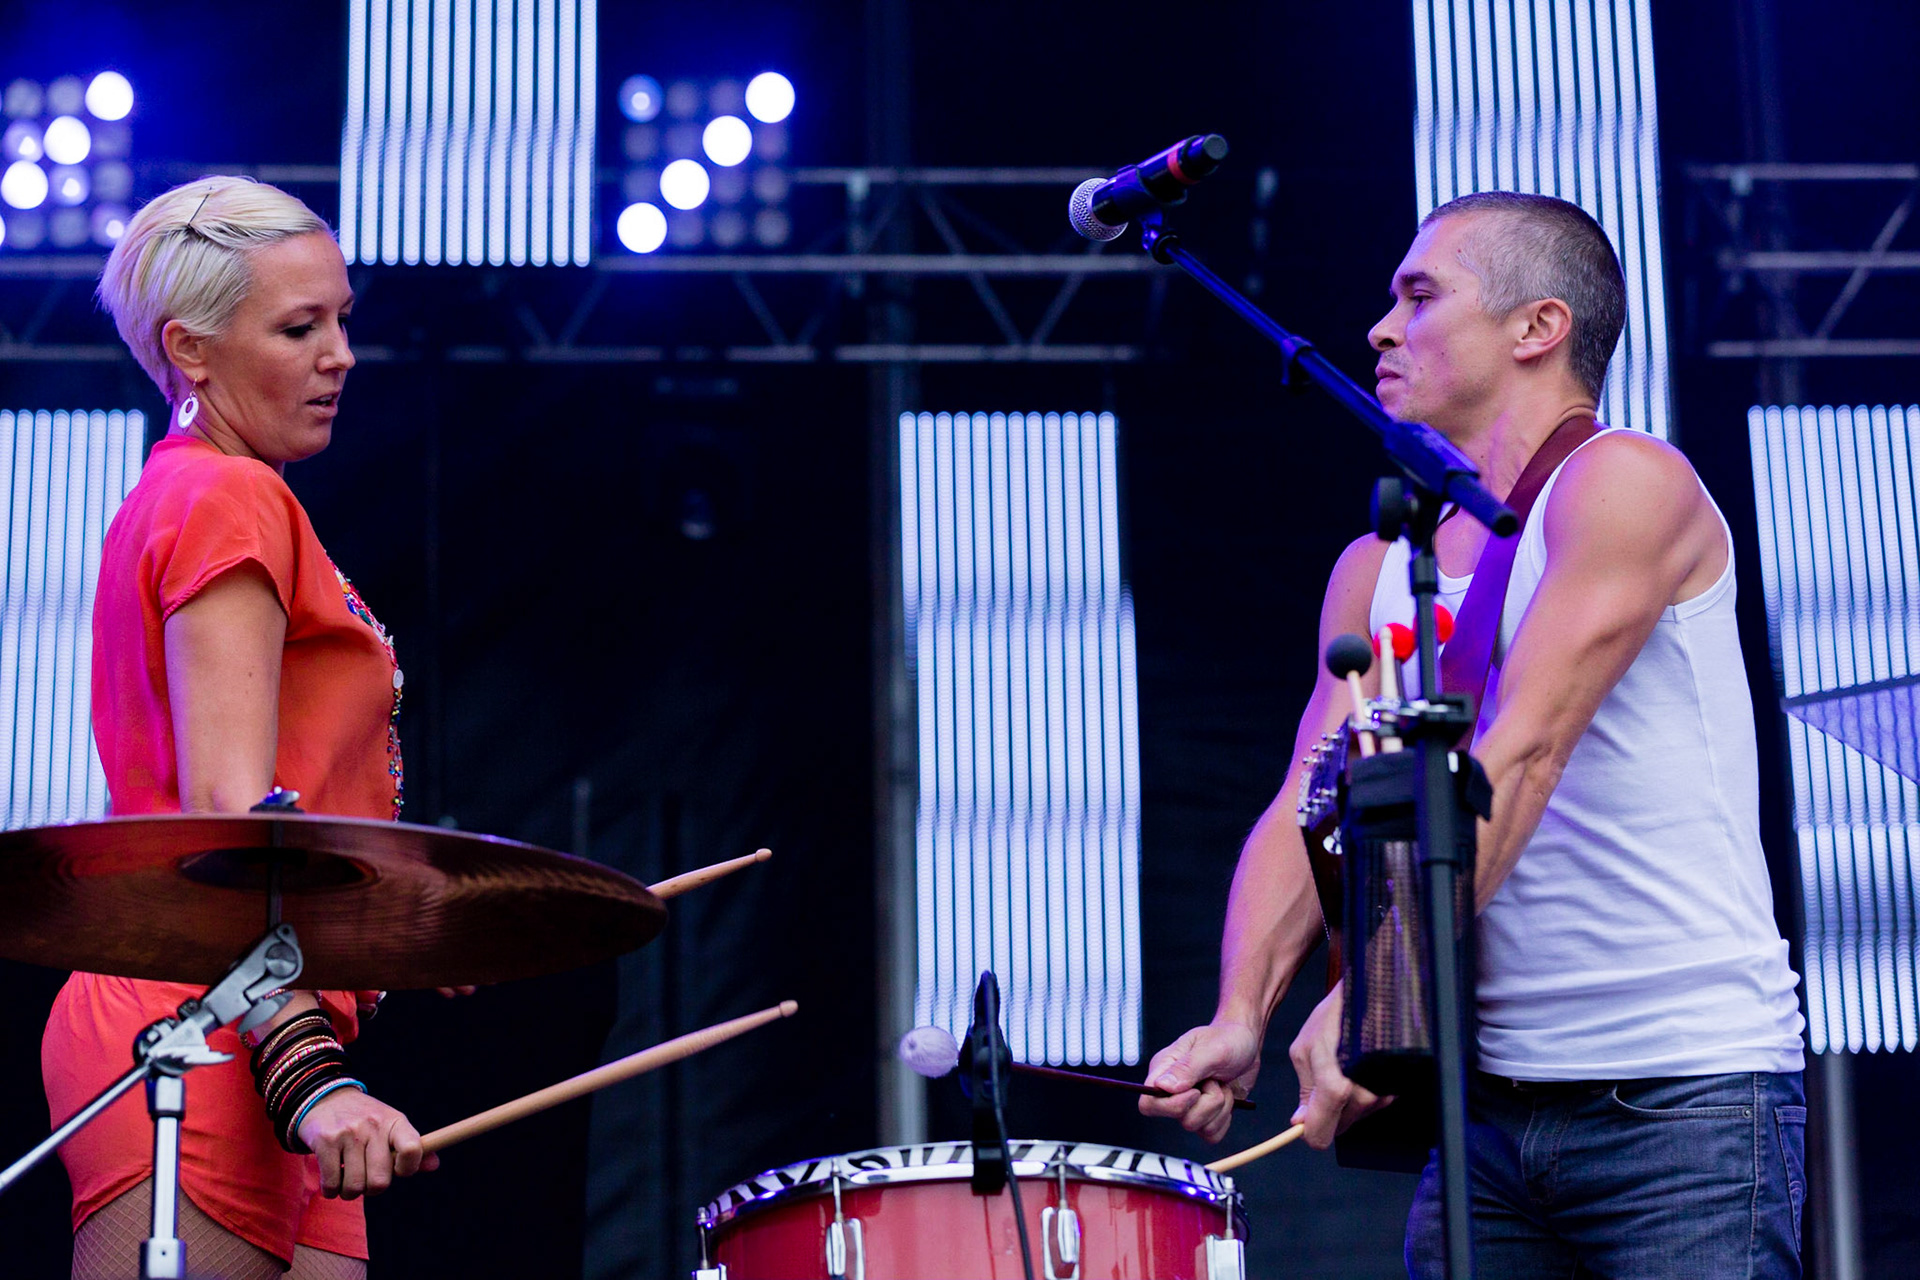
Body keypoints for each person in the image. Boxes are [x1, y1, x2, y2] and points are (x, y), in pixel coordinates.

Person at [1139, 192, 1807, 1277]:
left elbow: (1520, 753)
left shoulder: (1625, 483)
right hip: (1486, 1111)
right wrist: (1238, 1012)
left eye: (1419, 295)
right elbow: (1308, 798)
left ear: (1537, 326)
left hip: (1681, 1094)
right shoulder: (1374, 568)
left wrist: (1373, 1005)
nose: (1378, 329)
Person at [41, 176, 436, 1280]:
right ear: (192, 350)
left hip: (255, 1018)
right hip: (211, 1022)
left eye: (343, 319)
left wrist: (404, 918)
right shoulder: (229, 498)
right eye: (300, 326)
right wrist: (310, 1073)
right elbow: (228, 824)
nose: (342, 353)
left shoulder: (187, 491)